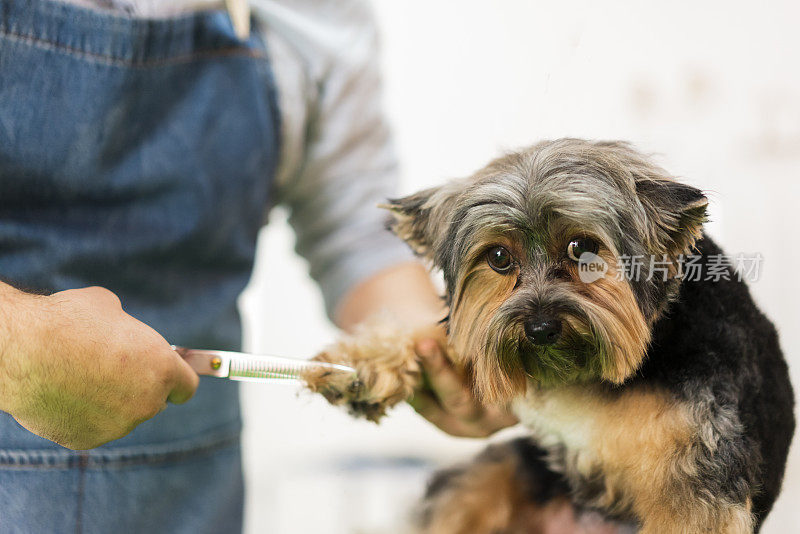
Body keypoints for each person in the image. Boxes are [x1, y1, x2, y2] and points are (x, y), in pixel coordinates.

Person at [0, 1, 622, 532]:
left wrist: (436, 350)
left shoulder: (314, 17)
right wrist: (15, 343)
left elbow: (357, 232)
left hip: (184, 482)